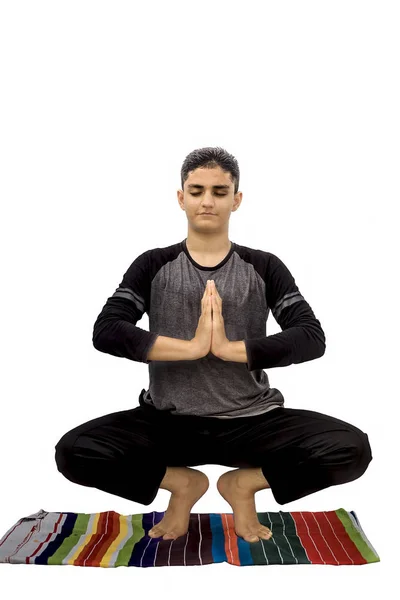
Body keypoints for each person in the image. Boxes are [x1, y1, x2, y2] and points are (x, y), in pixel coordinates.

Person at [54, 146, 373, 544]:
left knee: (352, 448)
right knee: (74, 452)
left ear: (236, 199)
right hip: (168, 423)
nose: (208, 200)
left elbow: (311, 336)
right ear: (181, 197)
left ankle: (242, 486)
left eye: (220, 191)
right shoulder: (153, 264)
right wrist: (189, 348)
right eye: (197, 190)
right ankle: (182, 485)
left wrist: (229, 349)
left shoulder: (264, 266)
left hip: (252, 421)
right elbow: (107, 330)